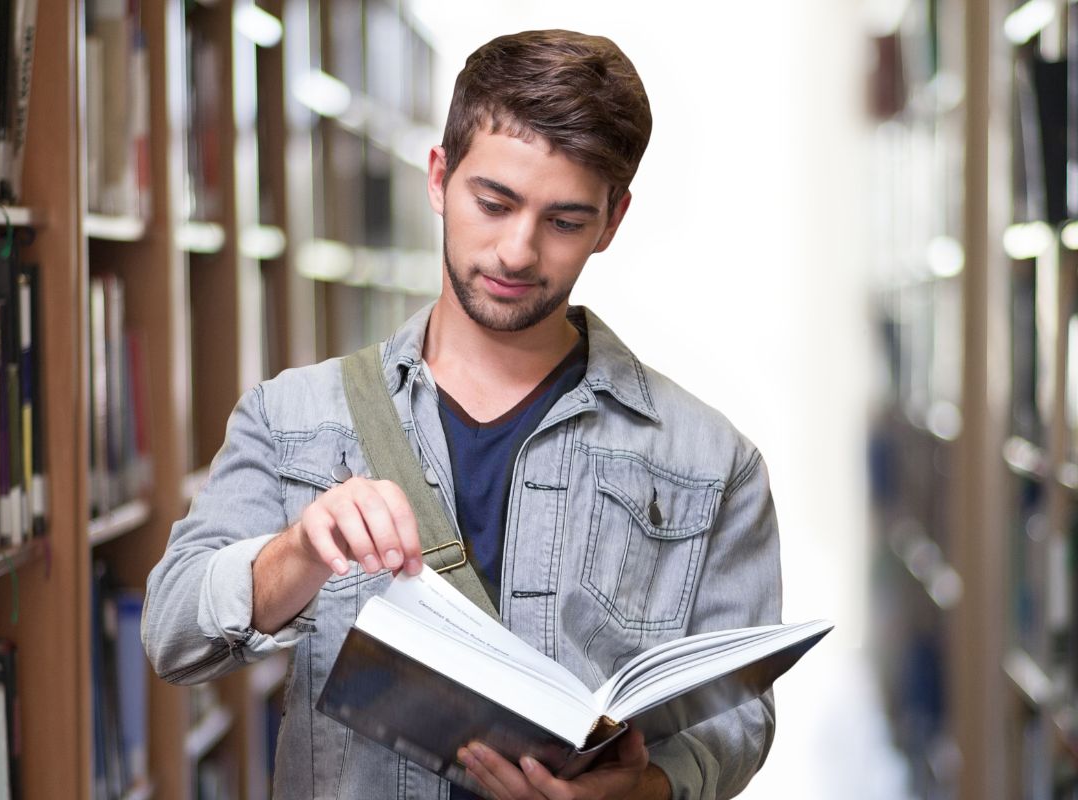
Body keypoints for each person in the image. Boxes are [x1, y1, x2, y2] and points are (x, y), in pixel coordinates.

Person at [144, 29, 782, 800]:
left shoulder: (713, 463)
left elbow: (737, 720)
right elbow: (172, 634)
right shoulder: (293, 418)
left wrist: (646, 790)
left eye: (566, 221)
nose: (517, 252)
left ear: (612, 222)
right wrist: (299, 552)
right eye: (495, 202)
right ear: (440, 178)